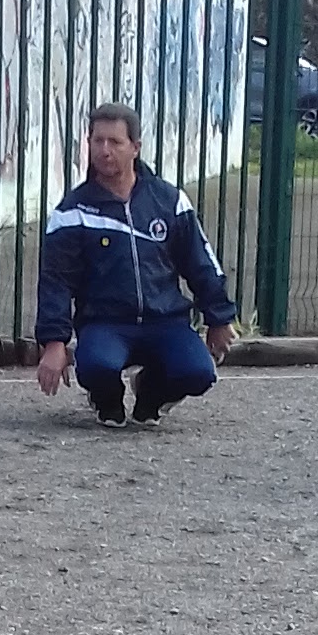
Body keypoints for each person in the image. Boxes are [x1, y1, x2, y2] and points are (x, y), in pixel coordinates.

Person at [35, 101, 237, 424]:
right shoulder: (72, 212)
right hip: (105, 324)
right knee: (96, 366)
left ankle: (150, 393)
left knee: (199, 372)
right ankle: (105, 399)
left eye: (115, 142)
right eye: (97, 141)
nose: (104, 150)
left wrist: (219, 317)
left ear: (135, 147)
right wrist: (53, 342)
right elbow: (55, 281)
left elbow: (200, 261)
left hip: (166, 321)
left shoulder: (170, 201)